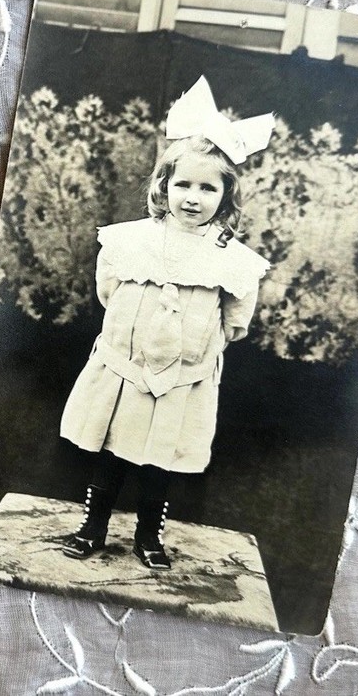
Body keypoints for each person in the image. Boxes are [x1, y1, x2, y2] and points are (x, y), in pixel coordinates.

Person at [58, 77, 274, 569]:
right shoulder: (129, 241)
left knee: (161, 462)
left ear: (226, 196)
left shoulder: (233, 261)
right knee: (110, 453)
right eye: (183, 185)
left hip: (182, 379)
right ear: (163, 187)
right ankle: (92, 528)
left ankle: (149, 536)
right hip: (125, 369)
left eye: (207, 187)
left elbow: (237, 321)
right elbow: (109, 292)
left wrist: (196, 345)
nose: (193, 197)